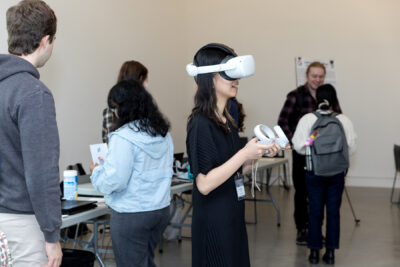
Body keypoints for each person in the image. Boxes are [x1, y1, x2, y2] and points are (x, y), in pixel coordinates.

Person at [186, 43, 282, 267]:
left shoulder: (227, 119)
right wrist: (243, 154)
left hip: (232, 217)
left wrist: (258, 152)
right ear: (210, 77)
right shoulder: (201, 123)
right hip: (213, 223)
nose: (237, 80)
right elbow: (205, 184)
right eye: (229, 74)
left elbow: (236, 169)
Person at [0, 1, 63, 266]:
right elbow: (40, 172)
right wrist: (52, 235)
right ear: (45, 41)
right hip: (22, 224)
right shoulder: (34, 93)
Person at [90, 79, 173, 267]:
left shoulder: (123, 137)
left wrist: (96, 172)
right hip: (159, 210)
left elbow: (116, 180)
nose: (114, 112)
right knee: (146, 261)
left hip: (131, 214)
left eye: (115, 107)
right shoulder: (162, 133)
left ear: (124, 108)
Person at [277, 61, 342, 245]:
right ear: (307, 76)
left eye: (321, 76)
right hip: (302, 154)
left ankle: (315, 230)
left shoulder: (330, 96)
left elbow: (339, 121)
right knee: (302, 192)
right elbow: (282, 122)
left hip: (324, 156)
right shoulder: (295, 96)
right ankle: (302, 229)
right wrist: (296, 143)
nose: (317, 79)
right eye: (314, 75)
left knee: (320, 195)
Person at [292, 84, 356, 264]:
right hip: (336, 173)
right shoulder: (343, 120)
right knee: (334, 212)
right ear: (335, 99)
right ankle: (330, 253)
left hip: (314, 172)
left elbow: (298, 146)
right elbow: (351, 148)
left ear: (316, 98)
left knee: (314, 211)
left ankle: (313, 253)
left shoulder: (307, 119)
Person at [102, 60, 149, 143]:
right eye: (145, 80)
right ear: (140, 79)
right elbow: (110, 144)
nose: (146, 84)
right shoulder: (111, 112)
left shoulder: (147, 109)